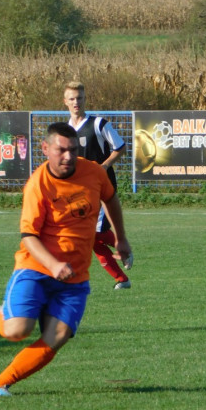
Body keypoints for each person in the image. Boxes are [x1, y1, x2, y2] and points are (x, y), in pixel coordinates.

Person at [0, 122, 133, 397]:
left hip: (75, 277)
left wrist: (121, 238)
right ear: (45, 149)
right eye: (61, 150)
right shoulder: (38, 184)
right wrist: (53, 265)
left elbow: (111, 198)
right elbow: (28, 236)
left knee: (56, 337)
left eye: (73, 150)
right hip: (35, 269)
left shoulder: (94, 172)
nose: (68, 157)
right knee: (18, 330)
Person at [63, 81, 132, 290]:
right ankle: (122, 274)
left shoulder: (99, 124)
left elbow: (120, 147)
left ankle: (122, 257)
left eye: (80, 98)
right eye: (72, 98)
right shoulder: (66, 130)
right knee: (93, 238)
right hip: (78, 190)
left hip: (101, 187)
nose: (76, 102)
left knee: (94, 235)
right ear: (65, 101)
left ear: (85, 99)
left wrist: (104, 166)